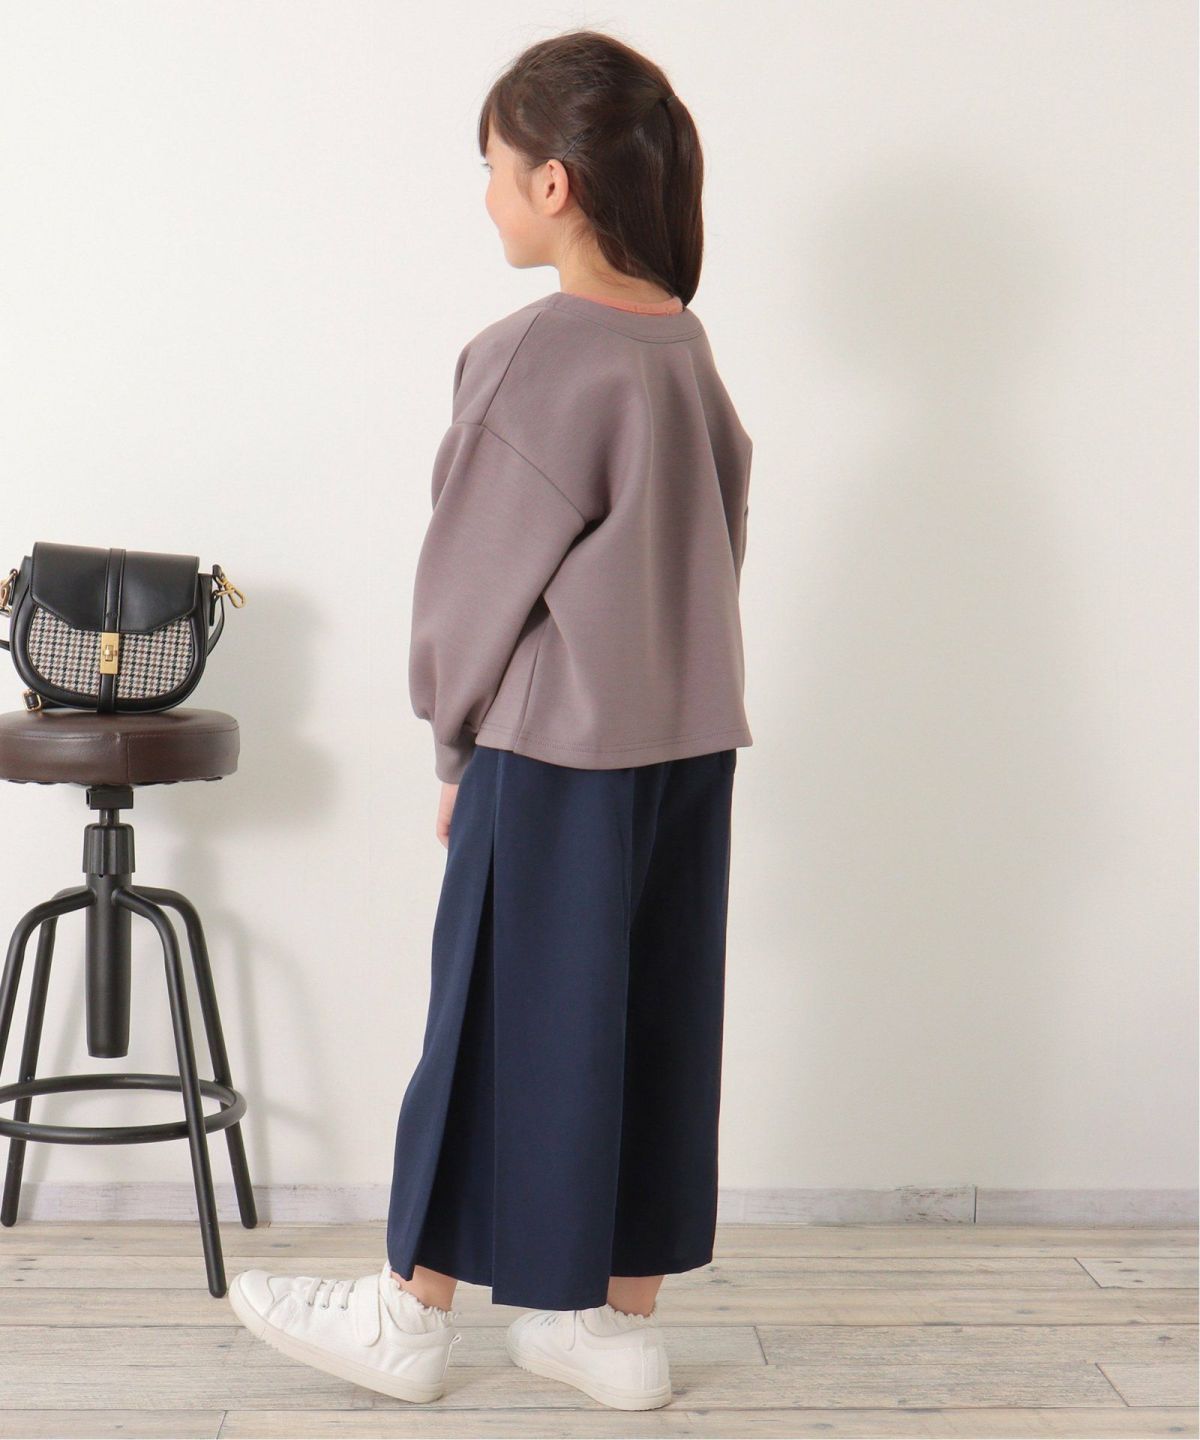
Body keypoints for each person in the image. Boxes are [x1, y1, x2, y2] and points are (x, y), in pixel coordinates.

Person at [227, 27, 753, 1412]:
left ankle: (411, 1313)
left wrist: (457, 743)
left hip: (554, 746)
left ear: (553, 186)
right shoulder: (682, 343)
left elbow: (470, 583)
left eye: (493, 168)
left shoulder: (536, 353)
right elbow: (723, 532)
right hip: (688, 740)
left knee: (489, 1015)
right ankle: (613, 1326)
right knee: (651, 1017)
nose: (486, 194)